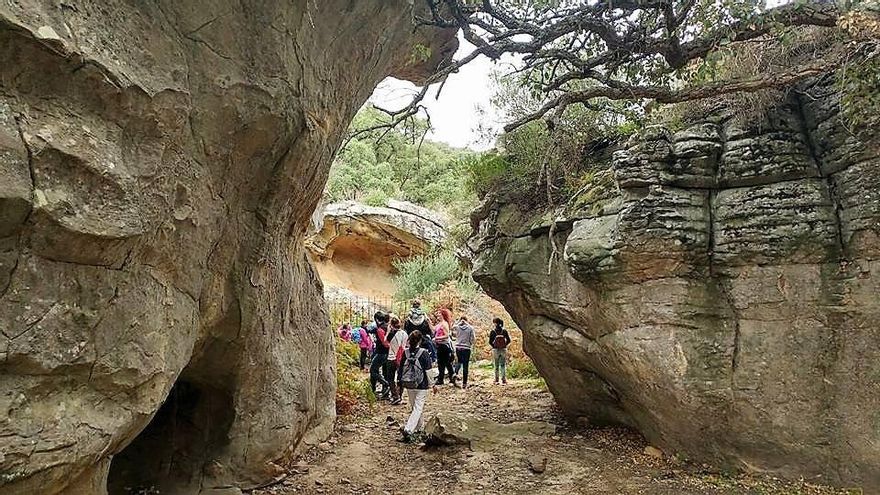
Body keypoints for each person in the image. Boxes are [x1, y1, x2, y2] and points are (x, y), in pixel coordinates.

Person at [396, 330, 437, 443]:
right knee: (418, 408)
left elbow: (401, 369)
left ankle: (419, 428)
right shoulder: (424, 353)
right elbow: (428, 371)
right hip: (421, 384)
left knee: (415, 407)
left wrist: (399, 383)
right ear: (420, 341)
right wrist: (432, 385)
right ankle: (409, 429)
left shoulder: (406, 353)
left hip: (409, 383)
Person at [385, 316, 407, 405]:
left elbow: (385, 341)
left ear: (391, 325)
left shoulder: (391, 335)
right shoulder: (404, 334)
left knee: (390, 378)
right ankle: (400, 395)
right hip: (401, 357)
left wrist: (388, 331)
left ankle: (395, 396)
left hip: (391, 357)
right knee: (400, 377)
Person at [369, 311, 391, 399]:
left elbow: (384, 343)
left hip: (381, 352)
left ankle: (385, 384)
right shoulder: (388, 327)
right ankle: (385, 393)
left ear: (377, 319)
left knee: (373, 370)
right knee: (386, 372)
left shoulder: (380, 329)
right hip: (389, 353)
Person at [432, 309, 456, 386]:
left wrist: (436, 338)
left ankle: (441, 379)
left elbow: (446, 335)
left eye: (439, 313)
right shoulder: (439, 324)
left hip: (444, 346)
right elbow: (433, 329)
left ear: (443, 315)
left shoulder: (444, 324)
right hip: (440, 345)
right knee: (445, 362)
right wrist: (428, 321)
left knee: (443, 363)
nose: (438, 315)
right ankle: (451, 376)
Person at [452, 316, 475, 389]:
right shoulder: (470, 328)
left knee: (459, 362)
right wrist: (470, 343)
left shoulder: (457, 327)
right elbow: (473, 339)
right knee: (465, 365)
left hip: (458, 347)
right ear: (466, 320)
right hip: (466, 348)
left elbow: (452, 328)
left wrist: (458, 323)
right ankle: (464, 383)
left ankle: (455, 373)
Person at [489, 317, 511, 384]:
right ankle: (503, 379)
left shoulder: (493, 331)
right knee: (503, 365)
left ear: (495, 323)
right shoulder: (504, 331)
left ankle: (496, 380)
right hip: (503, 350)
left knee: (496, 365)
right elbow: (509, 340)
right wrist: (504, 345)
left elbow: (490, 342)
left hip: (496, 350)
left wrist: (494, 346)